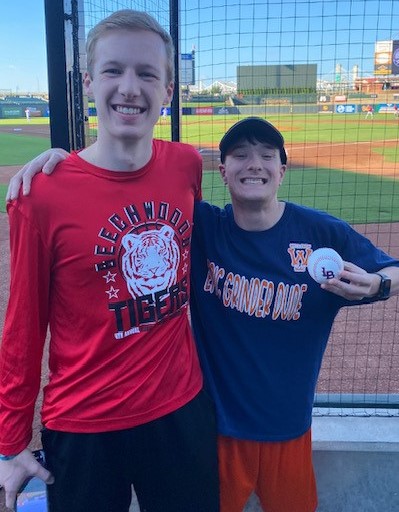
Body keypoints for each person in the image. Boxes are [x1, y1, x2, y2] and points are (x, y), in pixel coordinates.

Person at [6, 117, 399, 512]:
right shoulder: (202, 228)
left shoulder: (321, 232)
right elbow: (124, 190)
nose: (254, 164)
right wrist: (66, 163)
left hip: (290, 430)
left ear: (282, 169)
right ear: (222, 170)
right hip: (219, 432)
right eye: (240, 155)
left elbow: (391, 270)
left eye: (267, 155)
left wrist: (379, 285)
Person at [0, 10, 219, 512]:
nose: (129, 87)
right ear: (87, 82)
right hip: (84, 426)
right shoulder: (41, 196)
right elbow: (23, 327)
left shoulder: (185, 164)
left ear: (167, 90)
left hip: (180, 411)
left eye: (147, 74)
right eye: (113, 70)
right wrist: (10, 443)